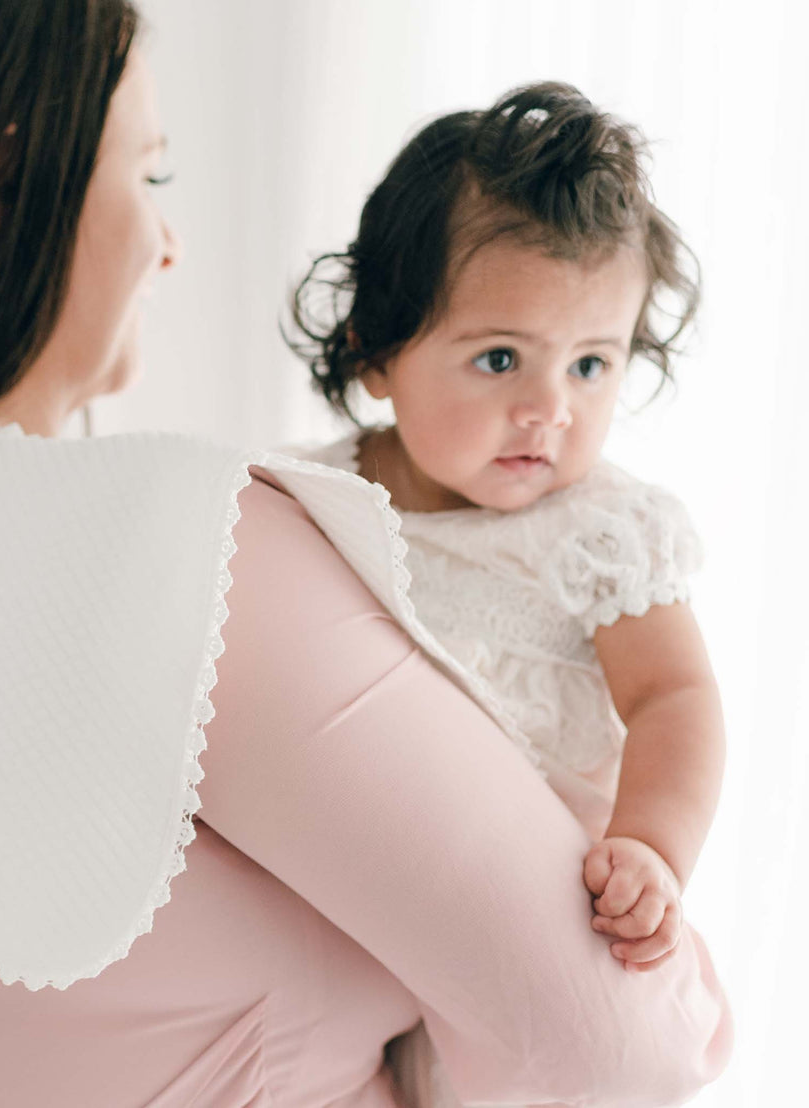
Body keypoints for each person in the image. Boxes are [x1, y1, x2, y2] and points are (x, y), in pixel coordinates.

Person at [0, 5, 730, 1107]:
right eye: (151, 176)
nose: (169, 240)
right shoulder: (198, 557)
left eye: (592, 362)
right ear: (6, 185)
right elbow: (618, 1042)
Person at [287, 85, 725, 1104]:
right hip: (366, 913)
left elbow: (675, 698)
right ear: (376, 348)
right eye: (498, 359)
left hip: (551, 915)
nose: (548, 410)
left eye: (589, 365)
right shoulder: (310, 498)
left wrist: (649, 850)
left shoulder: (601, 530)